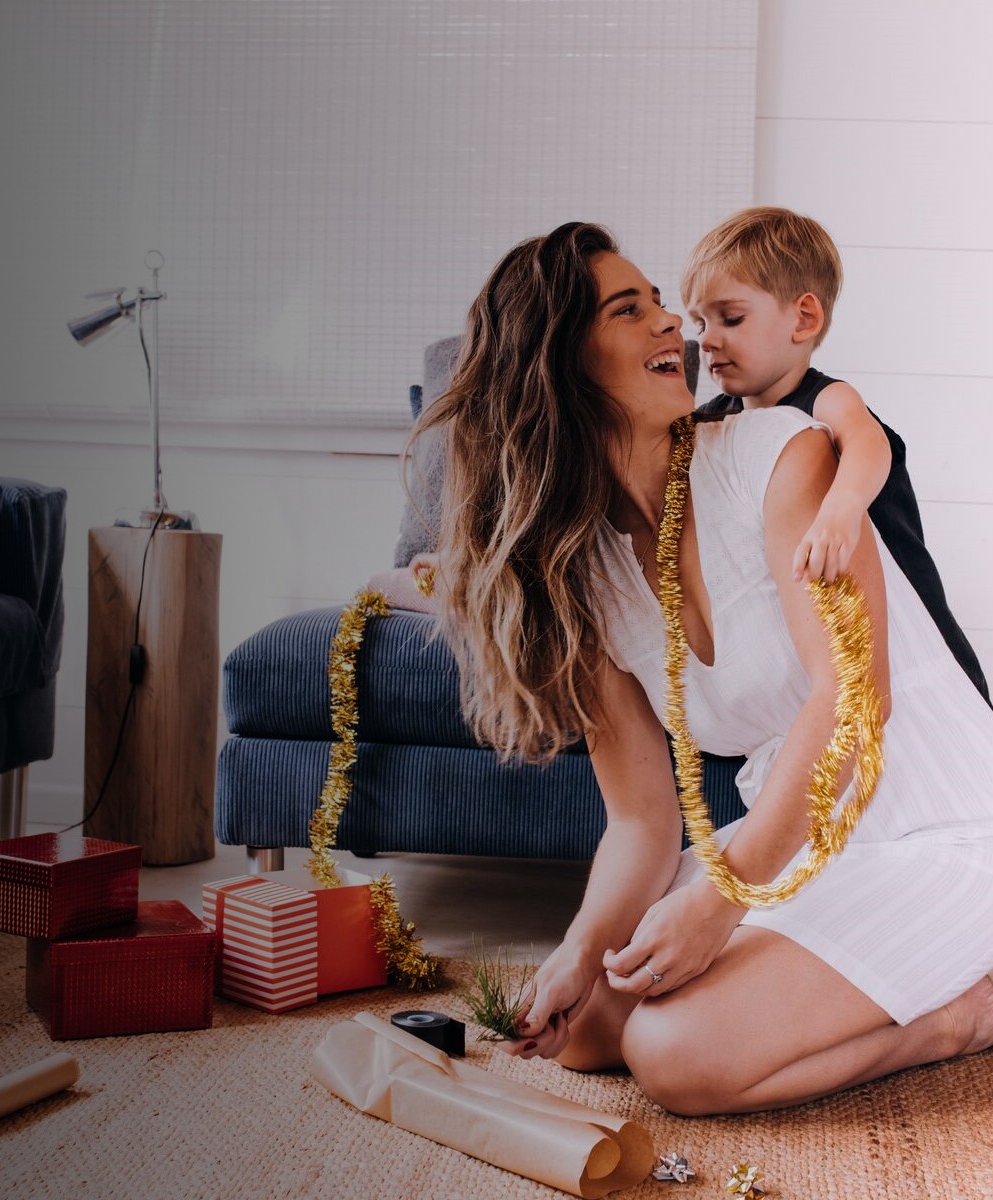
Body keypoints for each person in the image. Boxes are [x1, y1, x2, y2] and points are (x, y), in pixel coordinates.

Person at [417, 221, 993, 1115]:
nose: (670, 328)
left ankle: (959, 1019)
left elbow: (854, 702)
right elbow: (643, 820)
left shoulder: (778, 456)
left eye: (659, 304)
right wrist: (577, 946)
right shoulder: (586, 576)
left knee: (674, 1054)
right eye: (628, 309)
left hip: (934, 816)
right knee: (594, 1026)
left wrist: (724, 899)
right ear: (559, 363)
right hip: (804, 828)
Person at [683, 205, 988, 703]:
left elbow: (869, 443)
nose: (709, 340)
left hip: (912, 634)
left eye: (731, 318)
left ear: (803, 318)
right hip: (828, 645)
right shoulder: (716, 422)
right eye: (700, 323)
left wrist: (839, 511)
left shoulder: (825, 398)